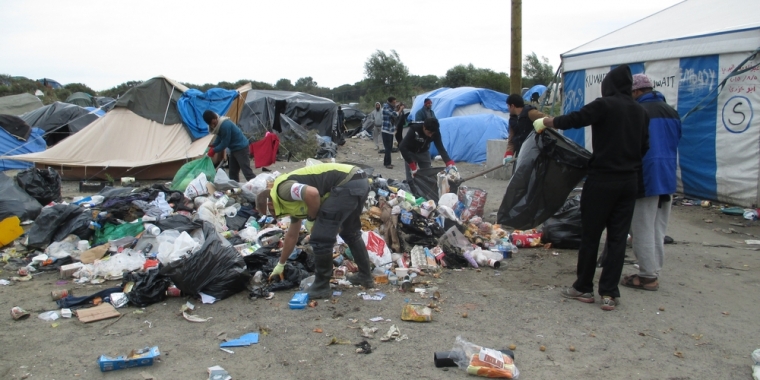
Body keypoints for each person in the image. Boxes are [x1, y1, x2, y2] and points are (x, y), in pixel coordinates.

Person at [536, 64, 649, 311]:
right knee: (617, 239)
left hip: (602, 180)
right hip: (629, 182)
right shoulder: (640, 112)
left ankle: (584, 287)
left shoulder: (604, 104)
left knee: (590, 235)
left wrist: (548, 121)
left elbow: (576, 119)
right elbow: (645, 147)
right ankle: (609, 293)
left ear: (608, 85)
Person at [256, 163, 374, 299]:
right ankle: (365, 276)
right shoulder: (288, 203)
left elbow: (312, 193)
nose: (275, 217)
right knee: (349, 231)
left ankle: (321, 286)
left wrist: (312, 218)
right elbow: (292, 235)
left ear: (270, 204)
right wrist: (280, 264)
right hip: (357, 181)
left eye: (271, 213)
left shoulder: (283, 190)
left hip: (346, 182)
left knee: (320, 238)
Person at [621, 74, 682, 292]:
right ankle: (653, 268)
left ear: (636, 92)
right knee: (658, 227)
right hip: (666, 175)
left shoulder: (640, 112)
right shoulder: (671, 111)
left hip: (646, 175)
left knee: (641, 227)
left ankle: (647, 276)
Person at [399, 117, 457, 185]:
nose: (430, 135)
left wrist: (448, 162)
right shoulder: (414, 129)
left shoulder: (435, 132)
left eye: (432, 133)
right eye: (429, 132)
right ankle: (411, 191)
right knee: (410, 179)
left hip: (424, 152)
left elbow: (440, 147)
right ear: (424, 127)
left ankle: (426, 193)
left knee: (428, 176)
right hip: (410, 153)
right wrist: (412, 165)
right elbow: (402, 147)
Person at [203, 110, 255, 182]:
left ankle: (258, 186)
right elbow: (220, 136)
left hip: (241, 148)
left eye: (214, 123)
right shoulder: (219, 126)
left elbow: (225, 143)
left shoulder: (224, 125)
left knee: (247, 172)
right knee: (233, 173)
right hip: (233, 149)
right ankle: (235, 189)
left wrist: (214, 150)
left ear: (215, 118)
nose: (213, 125)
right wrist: (213, 145)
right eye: (211, 124)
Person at [503, 94, 546, 165]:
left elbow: (550, 121)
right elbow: (512, 139)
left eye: (508, 106)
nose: (507, 108)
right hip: (520, 153)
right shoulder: (512, 119)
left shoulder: (532, 113)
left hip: (533, 154)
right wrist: (508, 154)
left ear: (512, 106)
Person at [381, 97, 403, 169]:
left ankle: (386, 162)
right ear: (390, 102)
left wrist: (397, 107)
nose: (394, 104)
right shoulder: (386, 107)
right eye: (394, 102)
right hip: (386, 130)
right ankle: (388, 164)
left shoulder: (390, 107)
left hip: (390, 130)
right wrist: (400, 109)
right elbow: (395, 114)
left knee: (389, 148)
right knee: (388, 148)